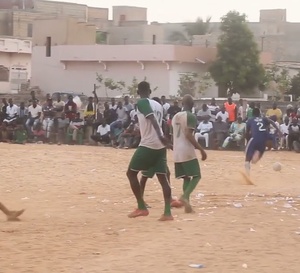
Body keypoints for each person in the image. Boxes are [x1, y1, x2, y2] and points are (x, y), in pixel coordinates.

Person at [126, 81, 173, 221]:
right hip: (160, 146)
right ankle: (167, 213)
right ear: (150, 90)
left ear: (138, 91)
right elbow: (162, 122)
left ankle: (141, 207)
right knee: (163, 179)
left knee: (131, 173)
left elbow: (151, 118)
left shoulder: (141, 103)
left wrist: (160, 135)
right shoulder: (159, 105)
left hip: (148, 144)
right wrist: (164, 139)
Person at [172, 94, 207, 213]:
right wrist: (201, 149)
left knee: (186, 177)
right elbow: (188, 134)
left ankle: (188, 206)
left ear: (182, 104)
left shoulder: (175, 116)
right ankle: (185, 197)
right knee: (197, 175)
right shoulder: (190, 116)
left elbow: (172, 133)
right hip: (186, 149)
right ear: (192, 105)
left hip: (176, 149)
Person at [244, 108, 281, 180]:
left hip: (255, 138)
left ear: (252, 114)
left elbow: (247, 133)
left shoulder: (250, 120)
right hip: (264, 140)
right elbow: (271, 121)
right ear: (259, 113)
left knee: (247, 159)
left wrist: (247, 141)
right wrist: (278, 130)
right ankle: (257, 152)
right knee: (254, 161)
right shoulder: (263, 118)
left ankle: (247, 176)